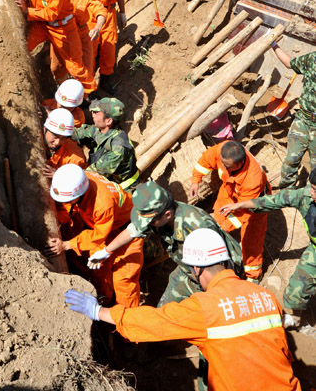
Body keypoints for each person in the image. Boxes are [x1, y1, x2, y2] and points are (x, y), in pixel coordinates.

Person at [65, 228, 301, 391]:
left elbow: (157, 321)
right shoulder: (266, 296)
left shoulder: (205, 307)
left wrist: (100, 312)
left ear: (197, 270)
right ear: (227, 262)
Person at [88, 181, 242, 306]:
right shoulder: (159, 217)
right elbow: (132, 231)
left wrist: (214, 295)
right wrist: (106, 252)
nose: (147, 224)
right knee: (165, 311)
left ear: (167, 214)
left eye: (150, 221)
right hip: (188, 269)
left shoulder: (198, 227)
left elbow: (218, 268)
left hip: (214, 274)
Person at [220, 166, 316, 329]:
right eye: (313, 188)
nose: (312, 193)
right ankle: (295, 318)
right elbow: (273, 201)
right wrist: (239, 205)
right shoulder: (305, 196)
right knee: (296, 289)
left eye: (315, 190)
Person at [49, 164, 144, 307]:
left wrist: (67, 244)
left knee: (124, 282)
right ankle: (103, 303)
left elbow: (98, 236)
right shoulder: (81, 180)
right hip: (107, 226)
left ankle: (125, 323)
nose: (64, 203)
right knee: (98, 270)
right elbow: (71, 203)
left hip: (129, 231)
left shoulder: (102, 204)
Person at [15, 0, 97, 96]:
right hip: (41, 25)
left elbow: (51, 13)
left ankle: (91, 96)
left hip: (63, 29)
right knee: (22, 47)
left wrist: (27, 12)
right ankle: (62, 89)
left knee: (75, 67)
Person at [190, 141, 270, 281]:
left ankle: (253, 275)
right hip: (230, 190)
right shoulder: (223, 150)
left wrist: (224, 228)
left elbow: (244, 212)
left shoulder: (253, 179)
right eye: (222, 163)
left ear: (238, 165)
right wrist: (195, 181)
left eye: (227, 167)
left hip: (253, 204)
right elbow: (205, 161)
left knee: (251, 240)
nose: (223, 168)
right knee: (219, 217)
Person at [50, 0, 107, 86]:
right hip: (60, 34)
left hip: (81, 34)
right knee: (57, 68)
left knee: (86, 69)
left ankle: (84, 97)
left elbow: (100, 10)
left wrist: (97, 27)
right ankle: (62, 89)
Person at [83, 0, 127, 93]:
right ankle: (87, 83)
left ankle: (105, 81)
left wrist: (122, 13)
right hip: (91, 13)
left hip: (109, 14)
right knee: (90, 48)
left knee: (109, 49)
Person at [271, 41, 316, 188]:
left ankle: (310, 202)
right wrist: (274, 44)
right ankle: (286, 195)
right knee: (291, 161)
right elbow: (290, 63)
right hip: (302, 120)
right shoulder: (312, 59)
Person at [73, 97, 140, 192]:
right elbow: (76, 133)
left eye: (96, 112)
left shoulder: (118, 148)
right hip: (107, 181)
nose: (93, 114)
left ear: (108, 121)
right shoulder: (99, 129)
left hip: (123, 191)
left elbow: (93, 173)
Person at [43, 108, 87, 179]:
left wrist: (60, 176)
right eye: (55, 135)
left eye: (64, 138)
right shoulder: (35, 136)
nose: (57, 142)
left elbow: (78, 182)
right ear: (45, 129)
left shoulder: (75, 159)